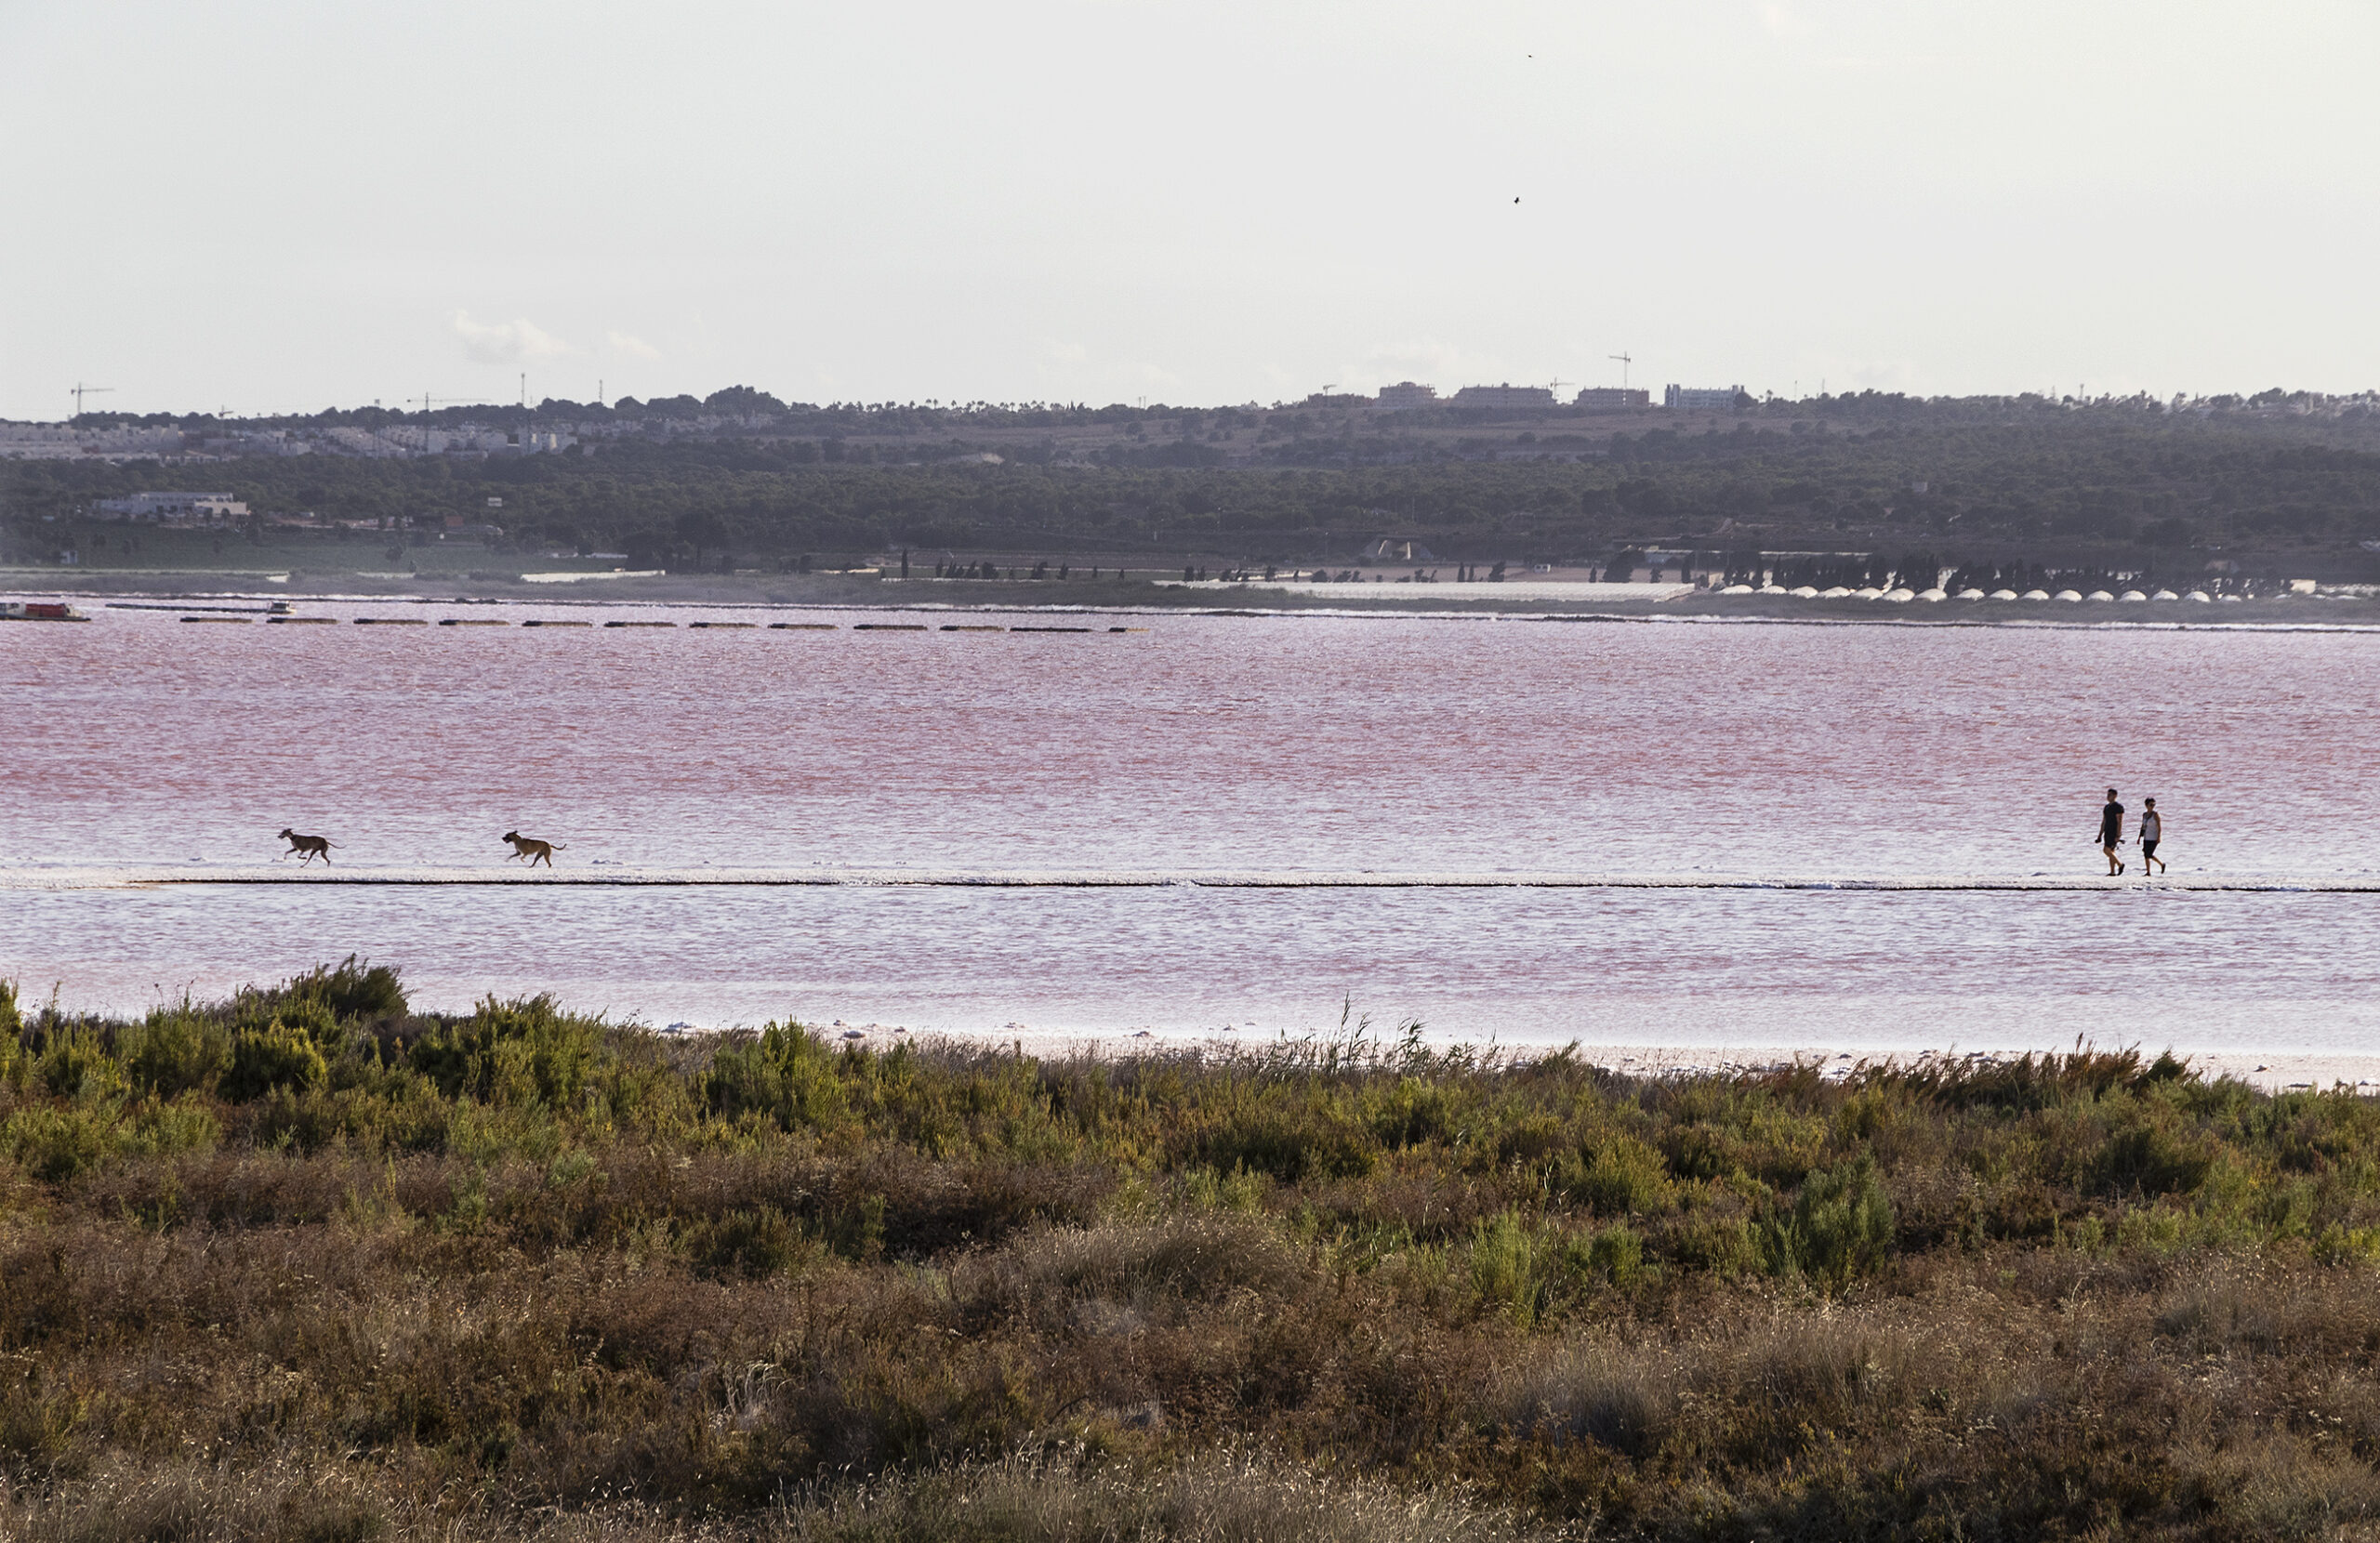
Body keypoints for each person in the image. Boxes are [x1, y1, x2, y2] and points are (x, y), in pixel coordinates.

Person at [2097, 788, 2125, 875]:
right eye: (2107, 795)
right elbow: (2104, 821)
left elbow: (2119, 821)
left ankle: (2120, 864)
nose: (2108, 797)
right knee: (2111, 851)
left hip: (2113, 831)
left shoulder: (2118, 807)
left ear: (2115, 796)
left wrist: (2118, 834)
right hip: (2107, 831)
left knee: (2106, 850)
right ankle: (2112, 872)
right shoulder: (2107, 807)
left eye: (2110, 795)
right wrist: (2100, 835)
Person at [2138, 798, 2165, 875]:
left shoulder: (2155, 815)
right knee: (2146, 854)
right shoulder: (2144, 815)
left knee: (2149, 854)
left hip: (2153, 837)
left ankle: (2161, 864)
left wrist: (2159, 837)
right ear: (2146, 805)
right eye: (2151, 805)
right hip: (2146, 837)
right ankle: (2148, 872)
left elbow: (2159, 826)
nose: (2152, 806)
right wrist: (2139, 837)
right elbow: (2143, 826)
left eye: (2154, 805)